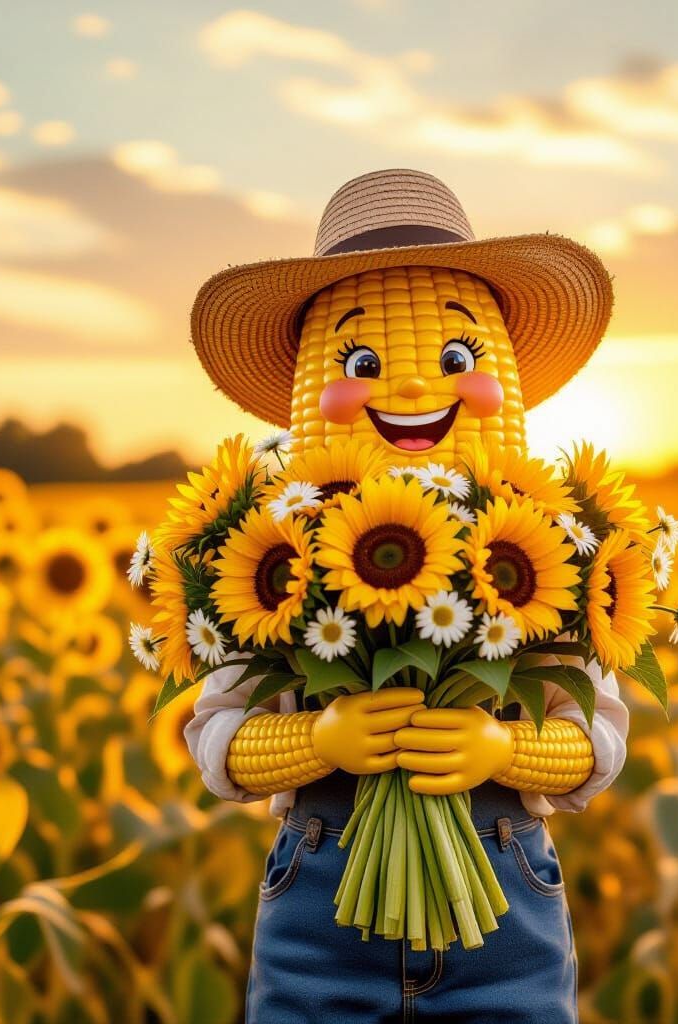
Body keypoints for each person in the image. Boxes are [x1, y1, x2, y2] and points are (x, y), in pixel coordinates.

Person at [185, 168, 627, 1023]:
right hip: (322, 913)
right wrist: (318, 737)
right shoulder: (268, 553)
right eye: (363, 363)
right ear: (311, 388)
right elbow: (215, 737)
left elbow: (598, 737)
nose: (418, 389)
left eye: (456, 359)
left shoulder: (548, 544)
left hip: (504, 904)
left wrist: (503, 749)